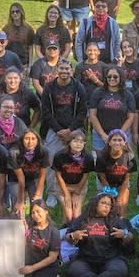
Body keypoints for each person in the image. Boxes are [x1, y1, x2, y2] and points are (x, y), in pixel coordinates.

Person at [67, 190, 135, 277]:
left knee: (120, 270)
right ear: (95, 203)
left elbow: (130, 236)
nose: (106, 206)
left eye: (109, 204)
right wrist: (73, 236)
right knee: (74, 270)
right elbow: (68, 236)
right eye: (103, 203)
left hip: (111, 259)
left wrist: (124, 234)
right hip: (86, 260)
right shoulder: (83, 219)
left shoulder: (114, 220)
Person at [40, 62, 88, 207]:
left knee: (75, 161)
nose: (64, 71)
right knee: (51, 161)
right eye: (61, 68)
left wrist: (70, 130)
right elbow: (46, 112)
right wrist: (59, 130)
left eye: (67, 68)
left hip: (74, 130)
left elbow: (82, 112)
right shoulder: (49, 88)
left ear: (71, 71)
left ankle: (75, 190)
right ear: (56, 70)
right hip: (54, 130)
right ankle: (52, 193)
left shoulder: (79, 87)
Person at [17, 199, 61, 277]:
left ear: (46, 211)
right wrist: (23, 230)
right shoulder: (30, 228)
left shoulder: (54, 231)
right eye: (33, 213)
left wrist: (32, 268)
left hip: (47, 266)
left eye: (38, 211)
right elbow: (22, 246)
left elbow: (52, 258)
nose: (35, 215)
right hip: (31, 263)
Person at [53, 131, 93, 223]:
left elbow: (85, 175)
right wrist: (66, 194)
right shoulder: (60, 155)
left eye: (81, 142)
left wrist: (77, 193)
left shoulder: (88, 157)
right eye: (75, 141)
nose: (78, 144)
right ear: (69, 142)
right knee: (68, 215)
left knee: (76, 215)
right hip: (62, 185)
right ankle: (64, 234)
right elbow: (58, 175)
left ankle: (75, 233)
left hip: (79, 185)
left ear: (84, 144)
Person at [95, 130, 134, 217]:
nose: (117, 143)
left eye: (120, 140)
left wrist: (119, 199)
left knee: (121, 206)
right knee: (105, 206)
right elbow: (102, 177)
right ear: (109, 142)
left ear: (124, 143)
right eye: (114, 140)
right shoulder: (101, 156)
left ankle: (122, 226)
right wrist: (110, 195)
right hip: (105, 184)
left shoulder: (129, 157)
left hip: (121, 184)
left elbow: (126, 180)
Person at [75, 0, 121, 65]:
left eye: (103, 6)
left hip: (108, 62)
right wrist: (80, 61)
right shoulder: (85, 23)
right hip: (89, 62)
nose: (101, 8)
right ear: (94, 8)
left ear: (107, 9)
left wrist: (116, 60)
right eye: (98, 6)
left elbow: (117, 42)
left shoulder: (113, 23)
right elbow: (79, 42)